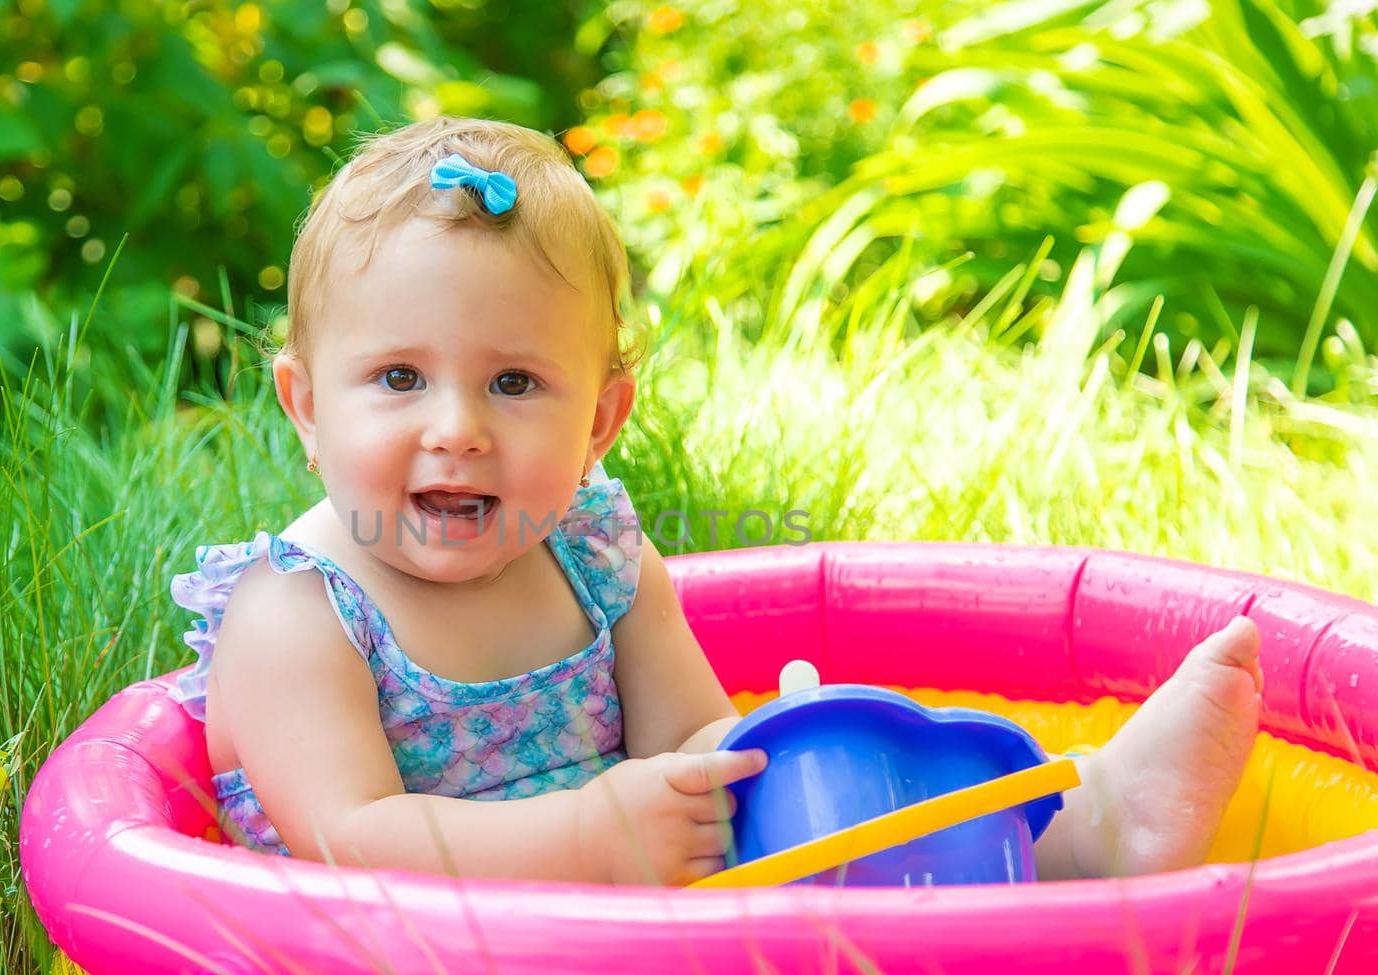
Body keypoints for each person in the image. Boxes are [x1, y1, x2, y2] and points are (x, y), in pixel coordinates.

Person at [171, 116, 1264, 886]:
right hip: (401, 972)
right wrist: (590, 840)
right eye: (399, 379)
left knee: (821, 826)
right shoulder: (297, 611)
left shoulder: (595, 560)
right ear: (306, 407)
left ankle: (1081, 835)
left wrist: (782, 757)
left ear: (600, 423)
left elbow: (695, 738)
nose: (455, 427)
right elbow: (350, 840)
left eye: (514, 384)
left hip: (625, 917)